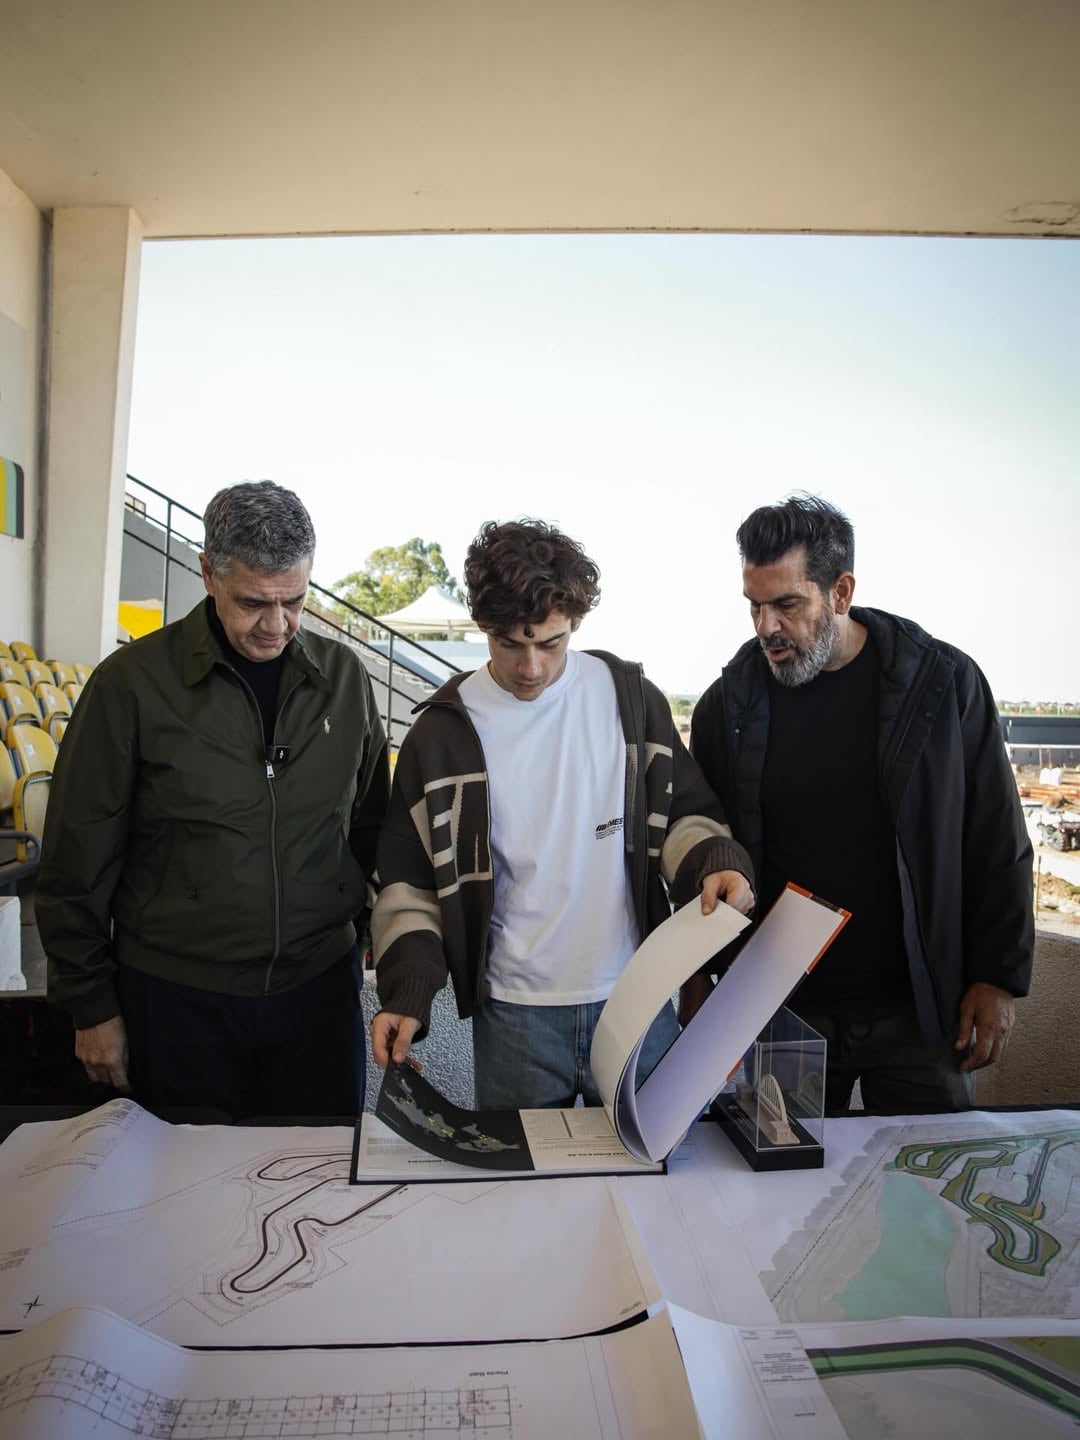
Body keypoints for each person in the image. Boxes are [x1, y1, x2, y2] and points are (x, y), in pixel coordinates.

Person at [370, 518, 755, 1109]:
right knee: (525, 1198)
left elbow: (684, 814)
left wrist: (713, 862)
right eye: (509, 643)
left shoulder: (631, 703)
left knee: (650, 1183)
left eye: (550, 643)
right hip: (513, 1018)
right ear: (483, 626)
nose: (531, 667)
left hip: (636, 998)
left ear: (575, 623)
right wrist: (407, 992)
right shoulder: (441, 735)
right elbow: (411, 885)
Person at [37, 480, 390, 1117]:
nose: (276, 625)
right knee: (180, 1197)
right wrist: (91, 1006)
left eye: (295, 602)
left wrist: (367, 938)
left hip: (318, 997)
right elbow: (75, 860)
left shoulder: (346, 682)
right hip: (176, 1001)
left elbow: (370, 829)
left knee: (318, 1188)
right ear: (207, 573)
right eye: (253, 602)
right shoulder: (129, 687)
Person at [690, 494, 1033, 1113]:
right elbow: (707, 842)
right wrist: (697, 977)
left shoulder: (944, 684)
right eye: (755, 605)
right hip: (779, 1013)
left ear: (840, 592)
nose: (766, 626)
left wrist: (998, 977)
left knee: (921, 1201)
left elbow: (996, 838)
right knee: (776, 1202)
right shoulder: (728, 706)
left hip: (921, 1012)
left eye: (787, 604)